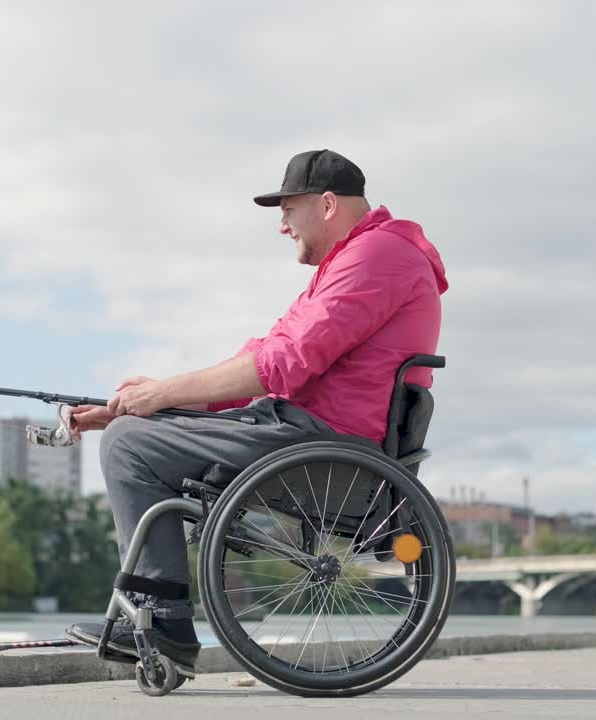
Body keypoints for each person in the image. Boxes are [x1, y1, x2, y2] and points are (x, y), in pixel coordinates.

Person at [63, 149, 448, 672]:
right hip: (312, 438)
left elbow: (285, 363)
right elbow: (267, 351)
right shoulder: (357, 259)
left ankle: (160, 620)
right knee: (133, 431)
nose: (283, 226)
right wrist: (151, 400)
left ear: (328, 203)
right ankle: (158, 616)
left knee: (130, 446)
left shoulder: (378, 256)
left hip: (322, 447)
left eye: (289, 210)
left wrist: (159, 400)